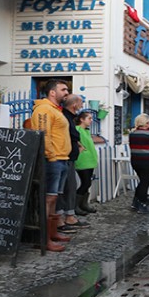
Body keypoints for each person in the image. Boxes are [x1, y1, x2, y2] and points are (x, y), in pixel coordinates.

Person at [30, 79, 71, 252]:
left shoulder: (55, 110)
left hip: (62, 159)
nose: (67, 92)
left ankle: (52, 233)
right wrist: (52, 156)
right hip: (52, 161)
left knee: (54, 198)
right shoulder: (44, 109)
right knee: (48, 198)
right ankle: (44, 239)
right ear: (52, 92)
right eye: (63, 89)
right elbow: (42, 134)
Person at [57, 94, 90, 233]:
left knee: (70, 186)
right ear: (75, 105)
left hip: (69, 156)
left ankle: (69, 215)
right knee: (65, 188)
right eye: (81, 103)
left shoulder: (70, 117)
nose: (82, 106)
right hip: (64, 156)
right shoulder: (64, 116)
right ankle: (64, 218)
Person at [74, 111, 99, 216]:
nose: (91, 120)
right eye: (89, 118)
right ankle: (75, 206)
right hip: (82, 160)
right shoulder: (77, 129)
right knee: (85, 183)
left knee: (88, 183)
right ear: (82, 119)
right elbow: (73, 139)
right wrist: (80, 146)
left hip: (90, 160)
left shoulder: (86, 131)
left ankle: (83, 204)